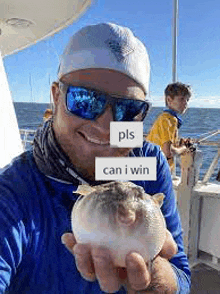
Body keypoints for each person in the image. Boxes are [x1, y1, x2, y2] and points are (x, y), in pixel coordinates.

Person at [0, 23, 191, 293]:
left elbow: (181, 274)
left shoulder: (148, 162)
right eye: (84, 100)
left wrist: (159, 281)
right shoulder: (16, 191)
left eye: (127, 109)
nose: (106, 127)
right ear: (56, 98)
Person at [146, 82, 192, 172]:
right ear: (169, 100)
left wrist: (178, 144)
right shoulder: (169, 119)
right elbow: (168, 152)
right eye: (182, 99)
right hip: (157, 171)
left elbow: (162, 143)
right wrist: (184, 148)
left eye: (187, 100)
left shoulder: (163, 117)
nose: (185, 103)